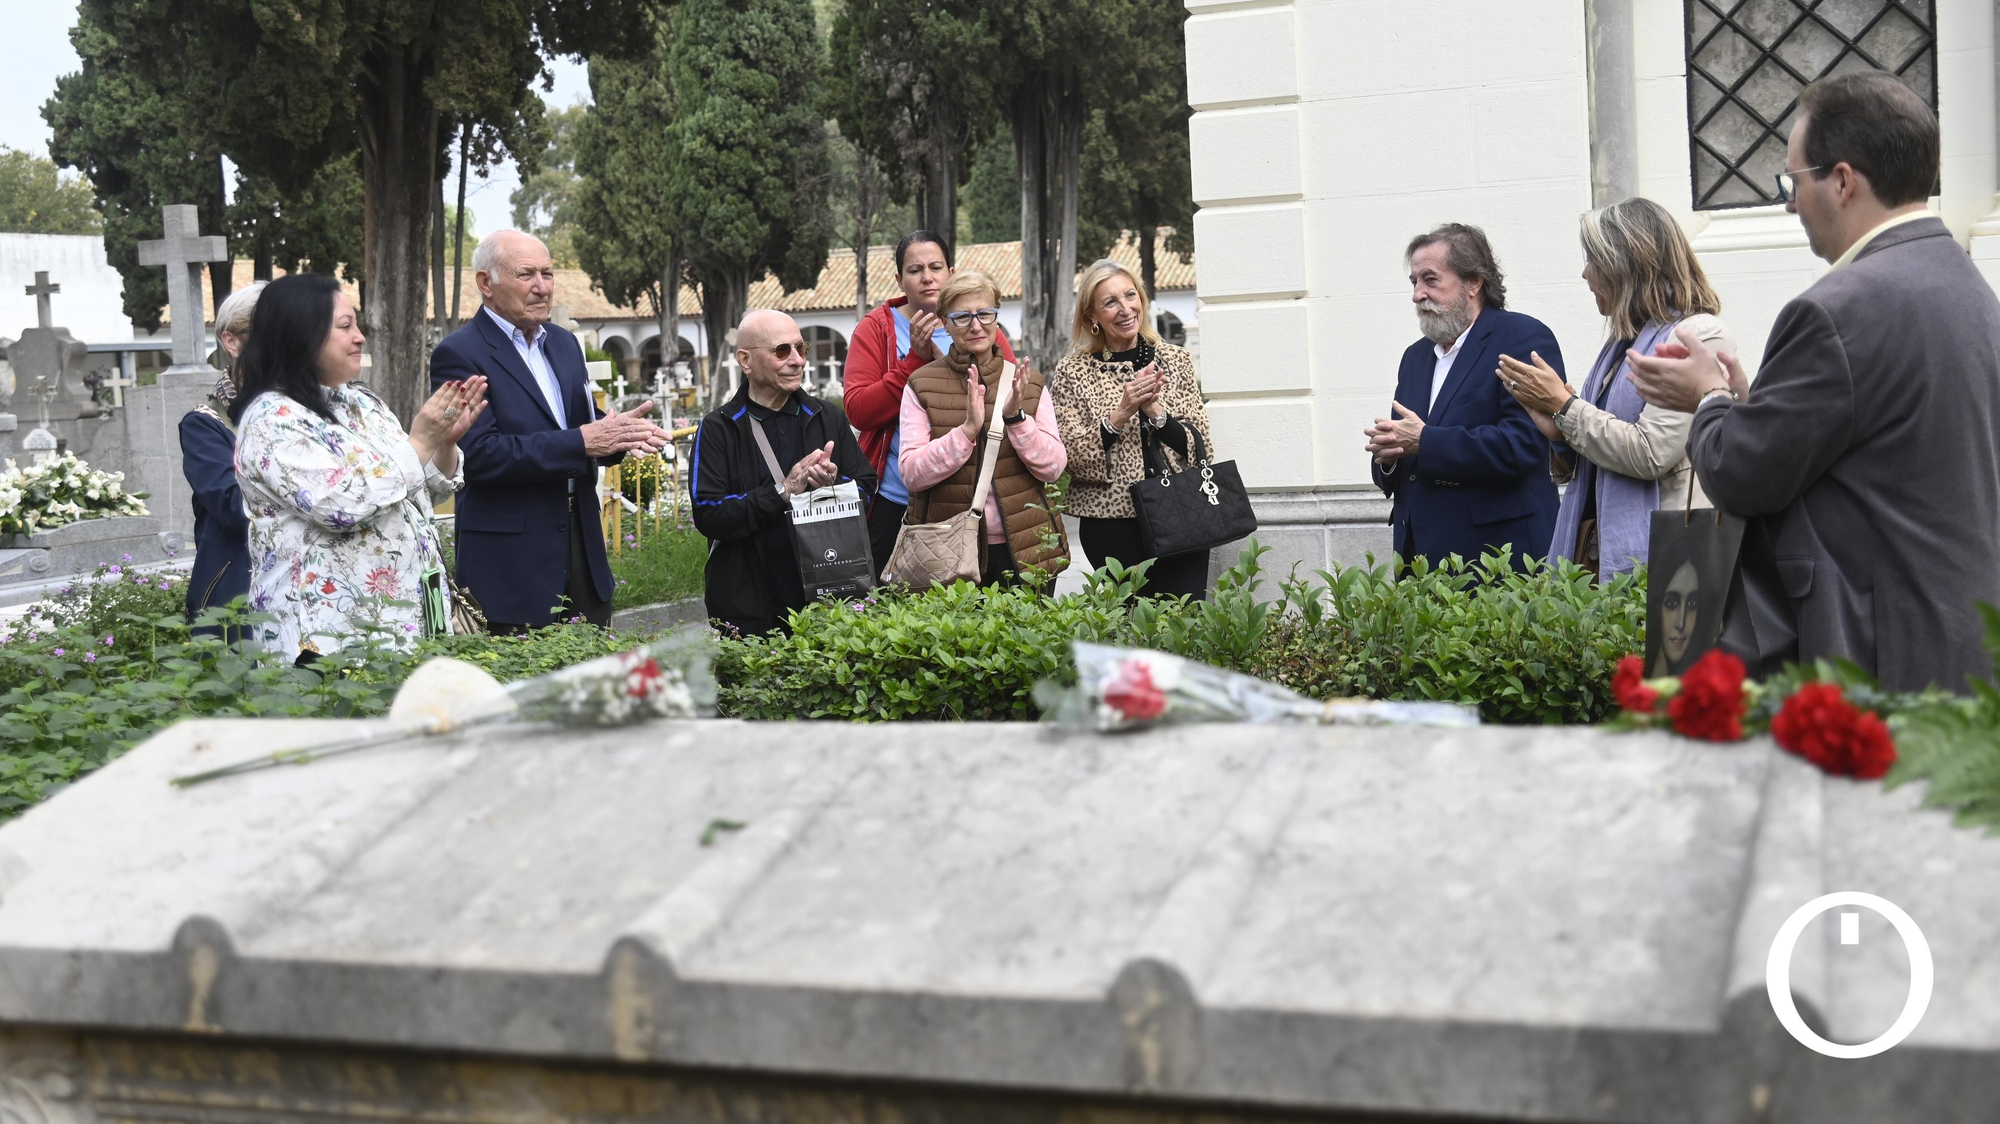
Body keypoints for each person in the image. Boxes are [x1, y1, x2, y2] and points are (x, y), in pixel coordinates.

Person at [1627, 72, 2000, 693]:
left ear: (1844, 181)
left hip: (1874, 660)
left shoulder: (1833, 311)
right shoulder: (1970, 288)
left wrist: (1708, 398)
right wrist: (1751, 402)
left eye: (1793, 181)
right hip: (1962, 645)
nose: (1789, 204)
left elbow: (1743, 477)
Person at [232, 274, 488, 661]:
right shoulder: (273, 418)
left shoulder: (360, 403)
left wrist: (443, 441)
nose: (360, 337)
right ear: (301, 335)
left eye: (358, 324)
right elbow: (341, 506)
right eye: (344, 326)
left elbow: (416, 493)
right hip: (329, 635)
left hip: (402, 623)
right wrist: (419, 441)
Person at [430, 230, 668, 632]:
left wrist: (617, 436)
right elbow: (481, 455)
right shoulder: (460, 353)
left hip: (583, 549)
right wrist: (584, 441)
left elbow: (582, 425)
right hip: (511, 566)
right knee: (525, 689)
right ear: (486, 283)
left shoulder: (563, 343)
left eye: (548, 273)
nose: (542, 287)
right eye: (526, 274)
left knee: (592, 685)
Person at [1495, 197, 1735, 577]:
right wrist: (1559, 432)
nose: (1585, 274)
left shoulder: (1698, 335)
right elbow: (1601, 448)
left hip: (1669, 559)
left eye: (1592, 260)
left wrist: (1567, 406)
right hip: (1595, 551)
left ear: (1624, 266)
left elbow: (1650, 453)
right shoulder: (1622, 345)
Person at [1365, 224, 1563, 571]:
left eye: (1431, 279)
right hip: (1419, 561)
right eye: (1414, 282)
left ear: (1474, 283)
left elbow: (1523, 446)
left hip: (1496, 560)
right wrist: (1388, 455)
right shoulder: (1415, 358)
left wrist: (1425, 441)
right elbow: (1406, 445)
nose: (1417, 294)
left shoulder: (1520, 338)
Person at [841, 231, 1019, 574]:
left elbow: (1008, 390)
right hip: (896, 494)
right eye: (915, 270)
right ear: (899, 280)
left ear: (950, 273)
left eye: (936, 267)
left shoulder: (981, 323)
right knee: (896, 603)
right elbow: (859, 410)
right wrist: (913, 364)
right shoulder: (877, 328)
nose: (927, 277)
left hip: (975, 496)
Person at [691, 309, 876, 637]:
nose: (797, 360)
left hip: (826, 599)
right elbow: (709, 514)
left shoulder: (825, 417)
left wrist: (832, 486)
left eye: (800, 349)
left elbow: (865, 486)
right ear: (746, 361)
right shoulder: (719, 429)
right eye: (782, 351)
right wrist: (782, 491)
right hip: (749, 606)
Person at [1050, 258, 1217, 600]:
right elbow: (1071, 458)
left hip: (1180, 511)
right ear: (1092, 316)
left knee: (1183, 619)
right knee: (1127, 626)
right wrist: (1121, 414)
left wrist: (1156, 412)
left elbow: (1199, 447)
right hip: (1110, 521)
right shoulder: (1072, 371)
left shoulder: (1175, 359)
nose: (1125, 308)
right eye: (1110, 302)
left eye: (1130, 296)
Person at [899, 270, 1068, 585]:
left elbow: (1054, 467)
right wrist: (965, 432)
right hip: (948, 549)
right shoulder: (921, 384)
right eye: (962, 317)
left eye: (985, 314)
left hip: (1027, 545)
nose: (976, 325)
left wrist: (1017, 419)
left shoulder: (1028, 383)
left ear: (996, 317)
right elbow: (911, 473)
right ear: (945, 324)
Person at [179, 280, 263, 627]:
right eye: (268, 331)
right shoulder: (204, 424)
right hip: (234, 601)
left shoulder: (317, 408)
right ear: (232, 341)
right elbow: (234, 508)